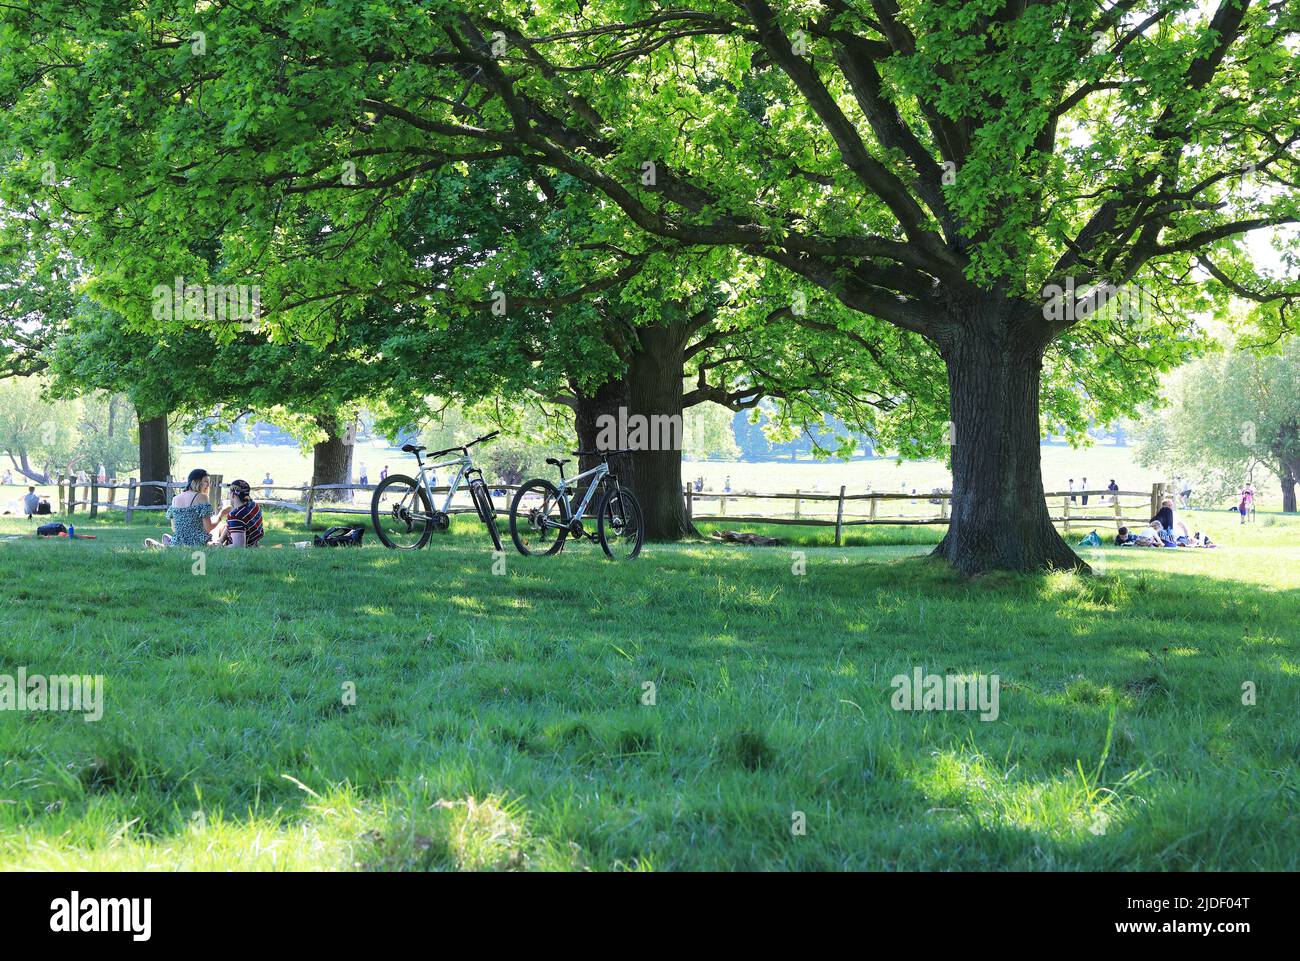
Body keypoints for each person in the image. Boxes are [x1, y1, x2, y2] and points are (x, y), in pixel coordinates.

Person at [144, 468, 226, 548]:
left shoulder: (175, 499)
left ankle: (166, 545)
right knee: (216, 543)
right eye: (205, 481)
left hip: (179, 541)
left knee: (174, 541)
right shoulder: (202, 497)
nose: (208, 485)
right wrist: (221, 514)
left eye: (209, 482)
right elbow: (208, 528)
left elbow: (174, 529)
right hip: (198, 542)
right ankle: (167, 545)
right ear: (195, 482)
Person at [221, 479, 264, 547]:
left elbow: (238, 546)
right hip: (254, 546)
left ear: (232, 495)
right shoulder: (254, 505)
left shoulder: (235, 516)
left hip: (236, 553)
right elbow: (229, 525)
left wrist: (221, 548)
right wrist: (220, 541)